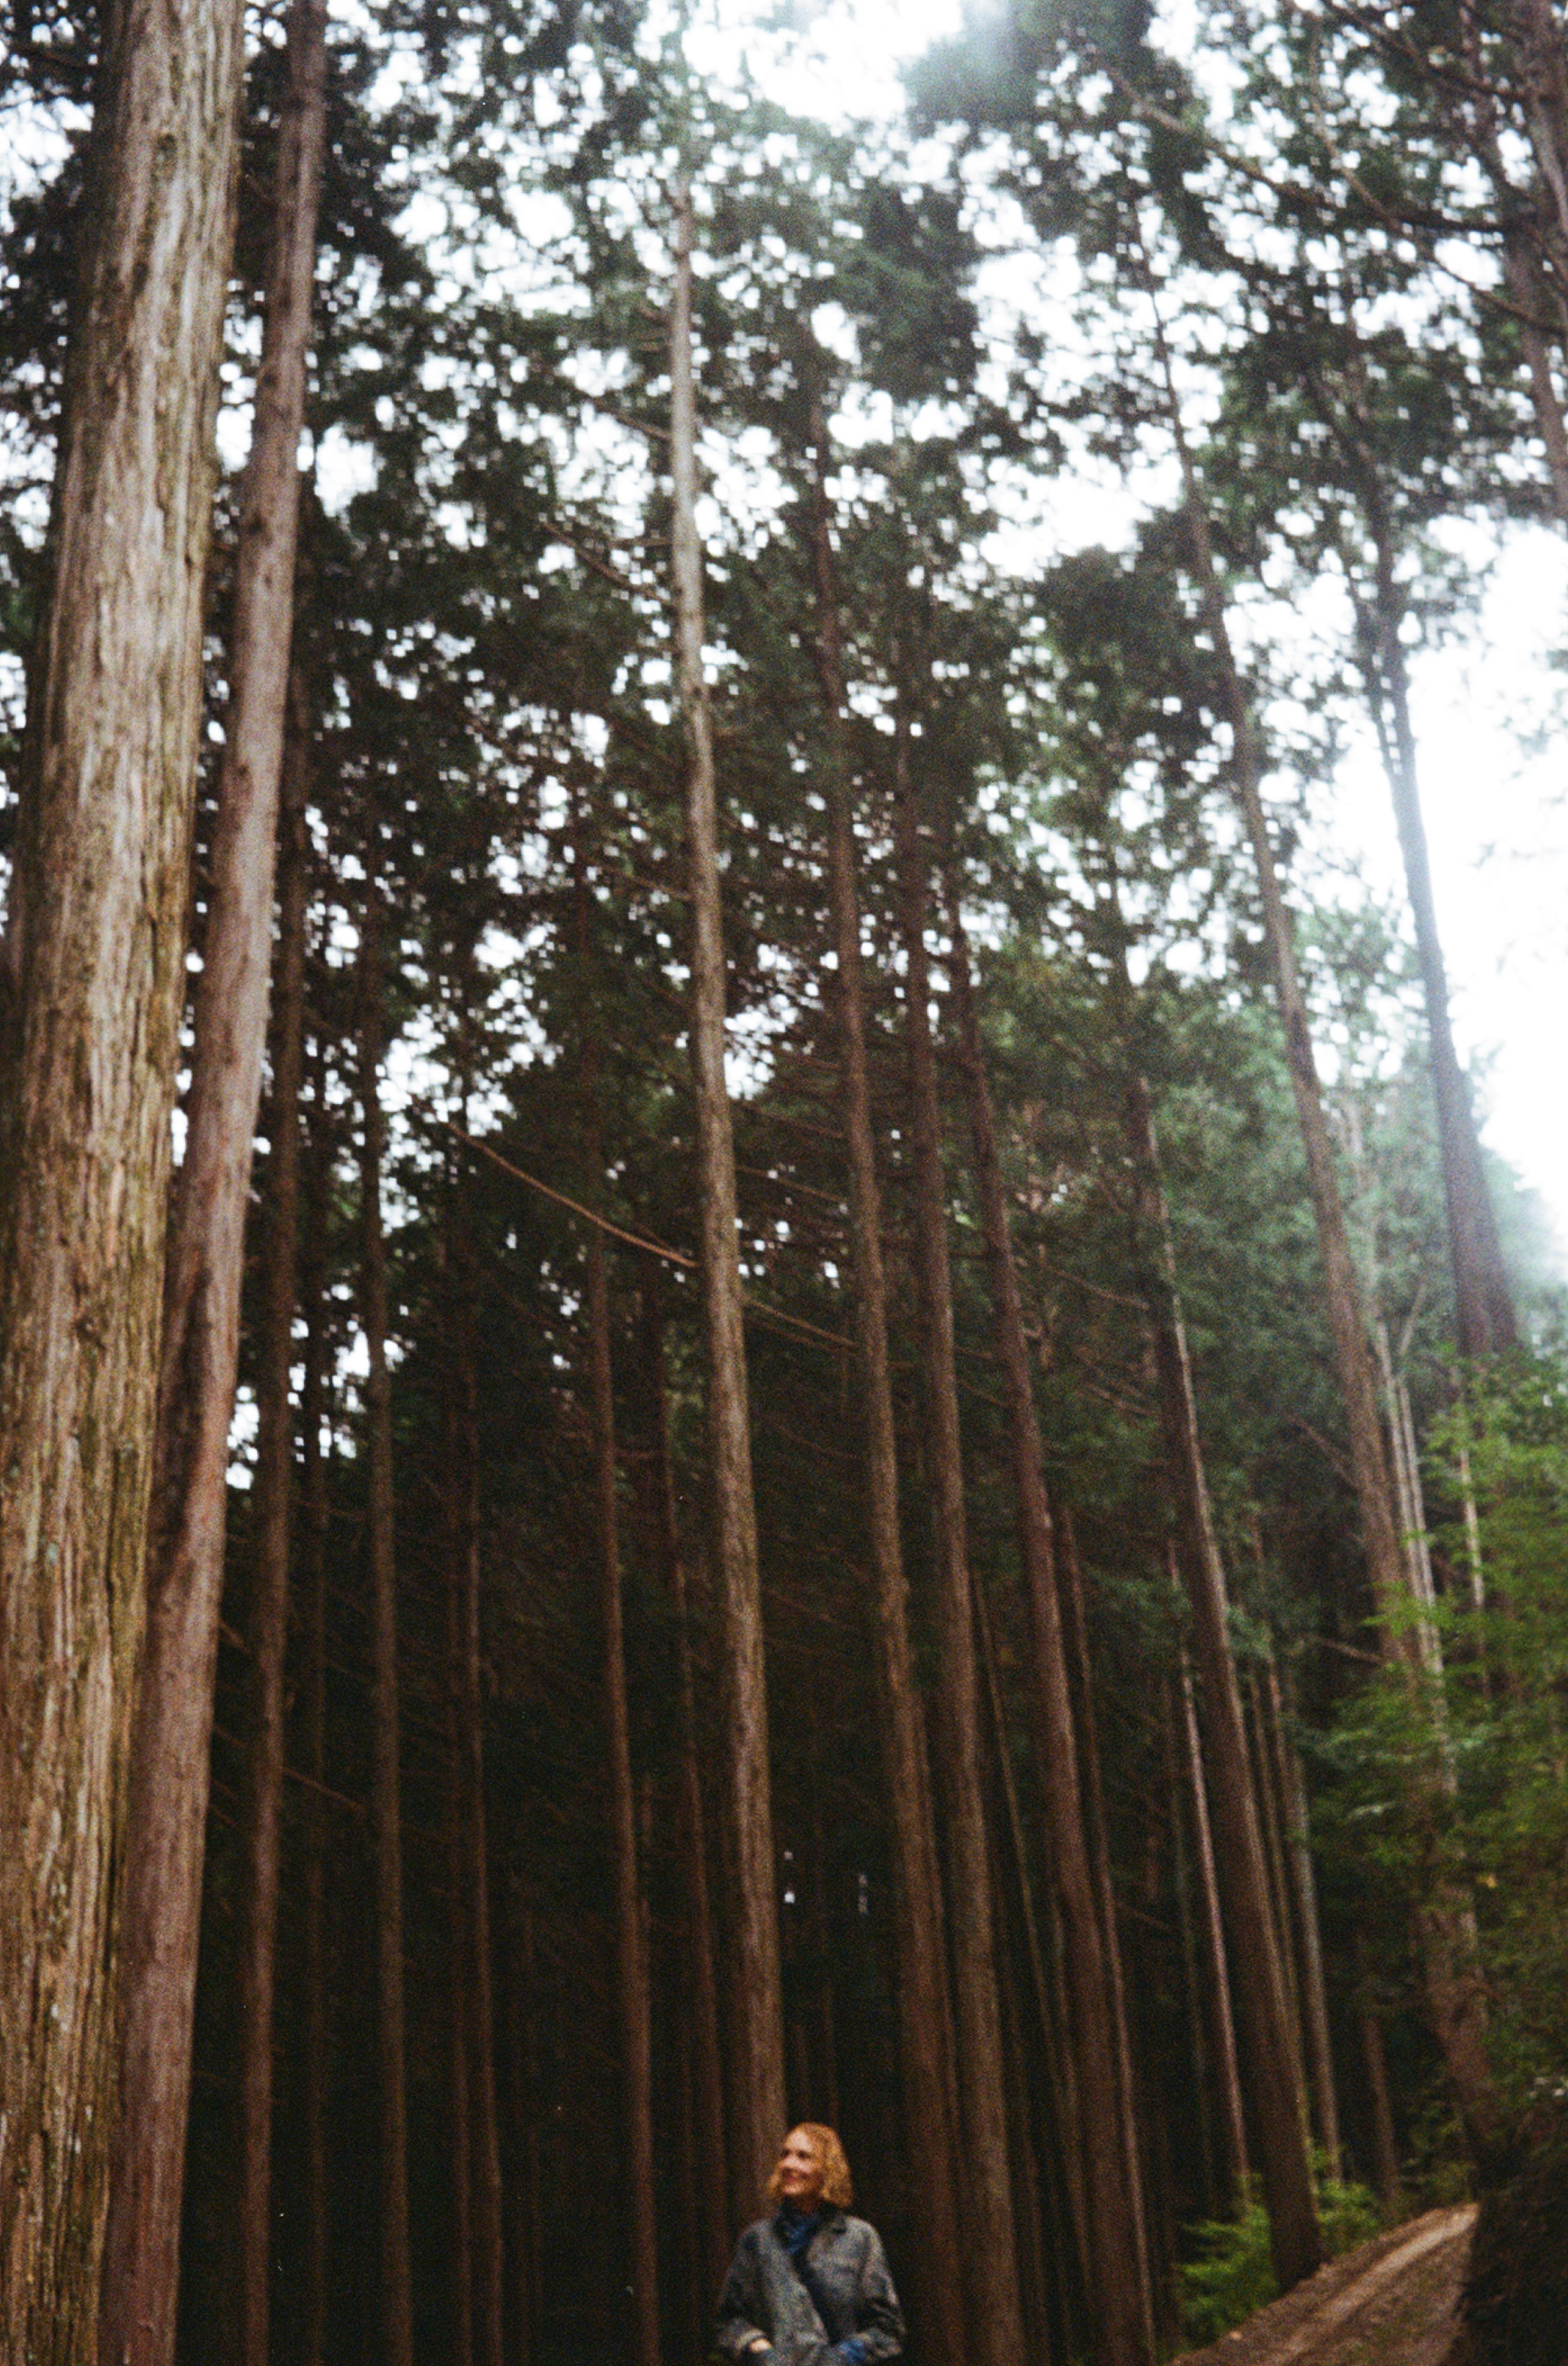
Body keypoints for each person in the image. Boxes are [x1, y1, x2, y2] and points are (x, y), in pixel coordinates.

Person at [714, 2123, 904, 2366]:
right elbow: (729, 2321)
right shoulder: (758, 2241)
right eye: (785, 2155)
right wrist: (760, 2350)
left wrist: (841, 2357)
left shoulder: (859, 2238)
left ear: (828, 2169)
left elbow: (888, 2329)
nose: (788, 2164)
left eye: (803, 2156)